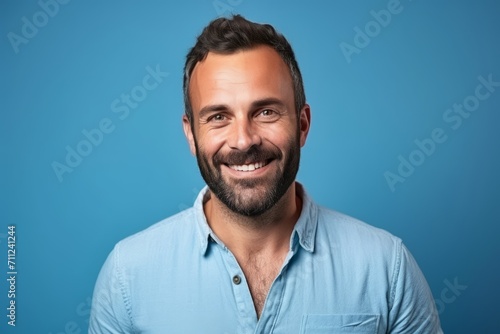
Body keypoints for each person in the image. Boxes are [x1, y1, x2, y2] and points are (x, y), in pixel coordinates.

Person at [89, 14, 442, 333]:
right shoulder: (127, 276)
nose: (243, 140)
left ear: (302, 125)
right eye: (218, 117)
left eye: (266, 112)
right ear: (191, 136)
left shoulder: (387, 269)